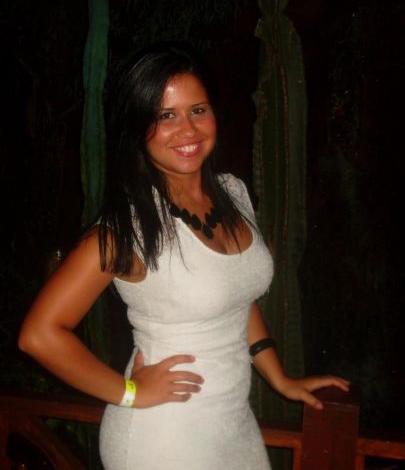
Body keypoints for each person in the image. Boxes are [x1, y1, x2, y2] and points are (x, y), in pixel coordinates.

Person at [19, 42, 349, 470]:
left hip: (233, 423)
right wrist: (129, 393)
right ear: (138, 127)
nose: (188, 130)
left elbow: (236, 295)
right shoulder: (127, 230)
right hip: (162, 436)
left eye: (198, 110)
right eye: (165, 116)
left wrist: (279, 378)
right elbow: (40, 335)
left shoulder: (232, 193)